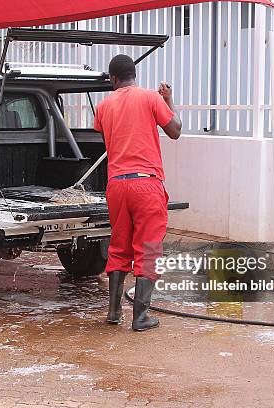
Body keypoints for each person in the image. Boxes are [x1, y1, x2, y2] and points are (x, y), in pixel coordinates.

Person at [94, 54, 182, 331]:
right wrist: (168, 100)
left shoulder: (104, 105)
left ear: (113, 78)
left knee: (119, 246)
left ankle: (113, 312)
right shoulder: (150, 98)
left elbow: (107, 138)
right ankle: (141, 317)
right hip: (146, 184)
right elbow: (175, 131)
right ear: (134, 75)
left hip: (117, 185)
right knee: (148, 248)